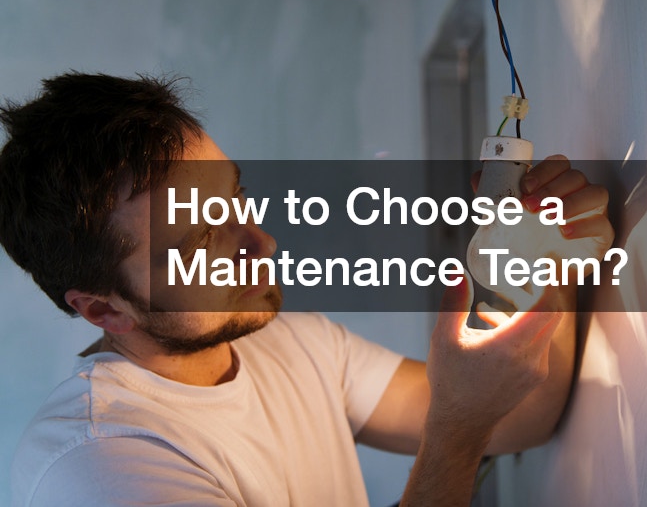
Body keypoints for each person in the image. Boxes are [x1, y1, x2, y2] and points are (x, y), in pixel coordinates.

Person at [0, 73, 613, 507]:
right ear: (104, 308)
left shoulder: (295, 346)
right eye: (201, 240)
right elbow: (468, 420)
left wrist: (543, 251)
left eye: (234, 197)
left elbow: (520, 416)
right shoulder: (99, 469)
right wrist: (457, 428)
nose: (261, 243)